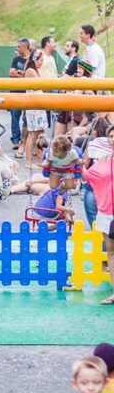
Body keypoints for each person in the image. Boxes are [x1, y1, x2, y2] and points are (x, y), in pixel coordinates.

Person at [82, 150, 114, 304]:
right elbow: (87, 176)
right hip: (106, 212)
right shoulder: (104, 160)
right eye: (111, 136)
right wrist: (77, 164)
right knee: (111, 252)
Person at [82, 121, 114, 227]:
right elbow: (88, 174)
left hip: (99, 191)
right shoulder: (104, 157)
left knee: (97, 226)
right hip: (99, 190)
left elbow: (85, 166)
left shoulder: (94, 145)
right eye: (111, 136)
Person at [9, 38, 31, 150]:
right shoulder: (16, 59)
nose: (17, 48)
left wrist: (18, 73)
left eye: (19, 47)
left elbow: (30, 74)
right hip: (15, 92)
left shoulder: (31, 59)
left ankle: (26, 140)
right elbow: (10, 72)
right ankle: (15, 140)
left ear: (25, 47)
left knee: (27, 119)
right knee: (14, 116)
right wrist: (22, 74)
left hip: (27, 92)